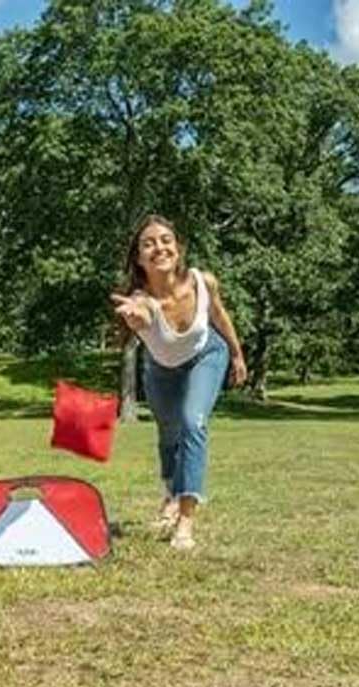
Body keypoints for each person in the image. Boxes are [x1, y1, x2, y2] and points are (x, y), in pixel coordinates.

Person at [111, 215, 247, 551]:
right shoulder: (141, 299)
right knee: (168, 433)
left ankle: (185, 520)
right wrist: (137, 318)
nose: (159, 247)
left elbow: (218, 315)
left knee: (192, 422)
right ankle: (170, 496)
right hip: (161, 368)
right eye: (149, 243)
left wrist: (237, 354)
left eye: (166, 239)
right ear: (139, 259)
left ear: (178, 247)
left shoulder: (203, 282)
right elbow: (142, 313)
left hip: (206, 355)